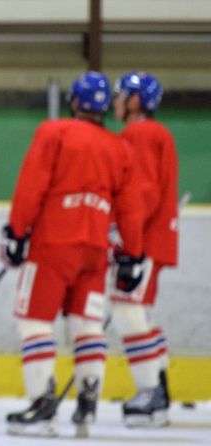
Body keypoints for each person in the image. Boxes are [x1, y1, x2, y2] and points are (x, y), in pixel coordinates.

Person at [1, 71, 145, 437]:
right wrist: (134, 252)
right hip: (96, 250)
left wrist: (16, 232)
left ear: (75, 102)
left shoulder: (55, 132)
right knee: (87, 324)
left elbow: (32, 184)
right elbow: (130, 208)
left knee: (34, 321)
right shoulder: (120, 148)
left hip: (53, 244)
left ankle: (42, 404)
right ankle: (87, 405)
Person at [111, 72, 178, 427]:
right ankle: (160, 390)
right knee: (141, 313)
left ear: (136, 101)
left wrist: (127, 240)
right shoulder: (154, 132)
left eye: (122, 95)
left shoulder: (140, 133)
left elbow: (143, 192)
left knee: (127, 310)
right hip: (154, 237)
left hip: (144, 239)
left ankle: (150, 392)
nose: (116, 101)